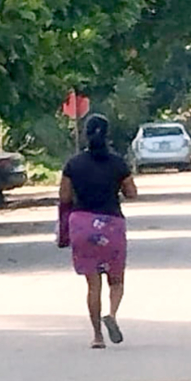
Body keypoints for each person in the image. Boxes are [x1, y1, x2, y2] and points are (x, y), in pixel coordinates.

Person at [57, 114, 138, 349]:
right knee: (116, 280)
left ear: (85, 134)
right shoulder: (117, 163)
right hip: (111, 224)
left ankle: (97, 336)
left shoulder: (73, 164)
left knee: (93, 285)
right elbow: (132, 192)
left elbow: (64, 196)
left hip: (82, 224)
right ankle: (111, 315)